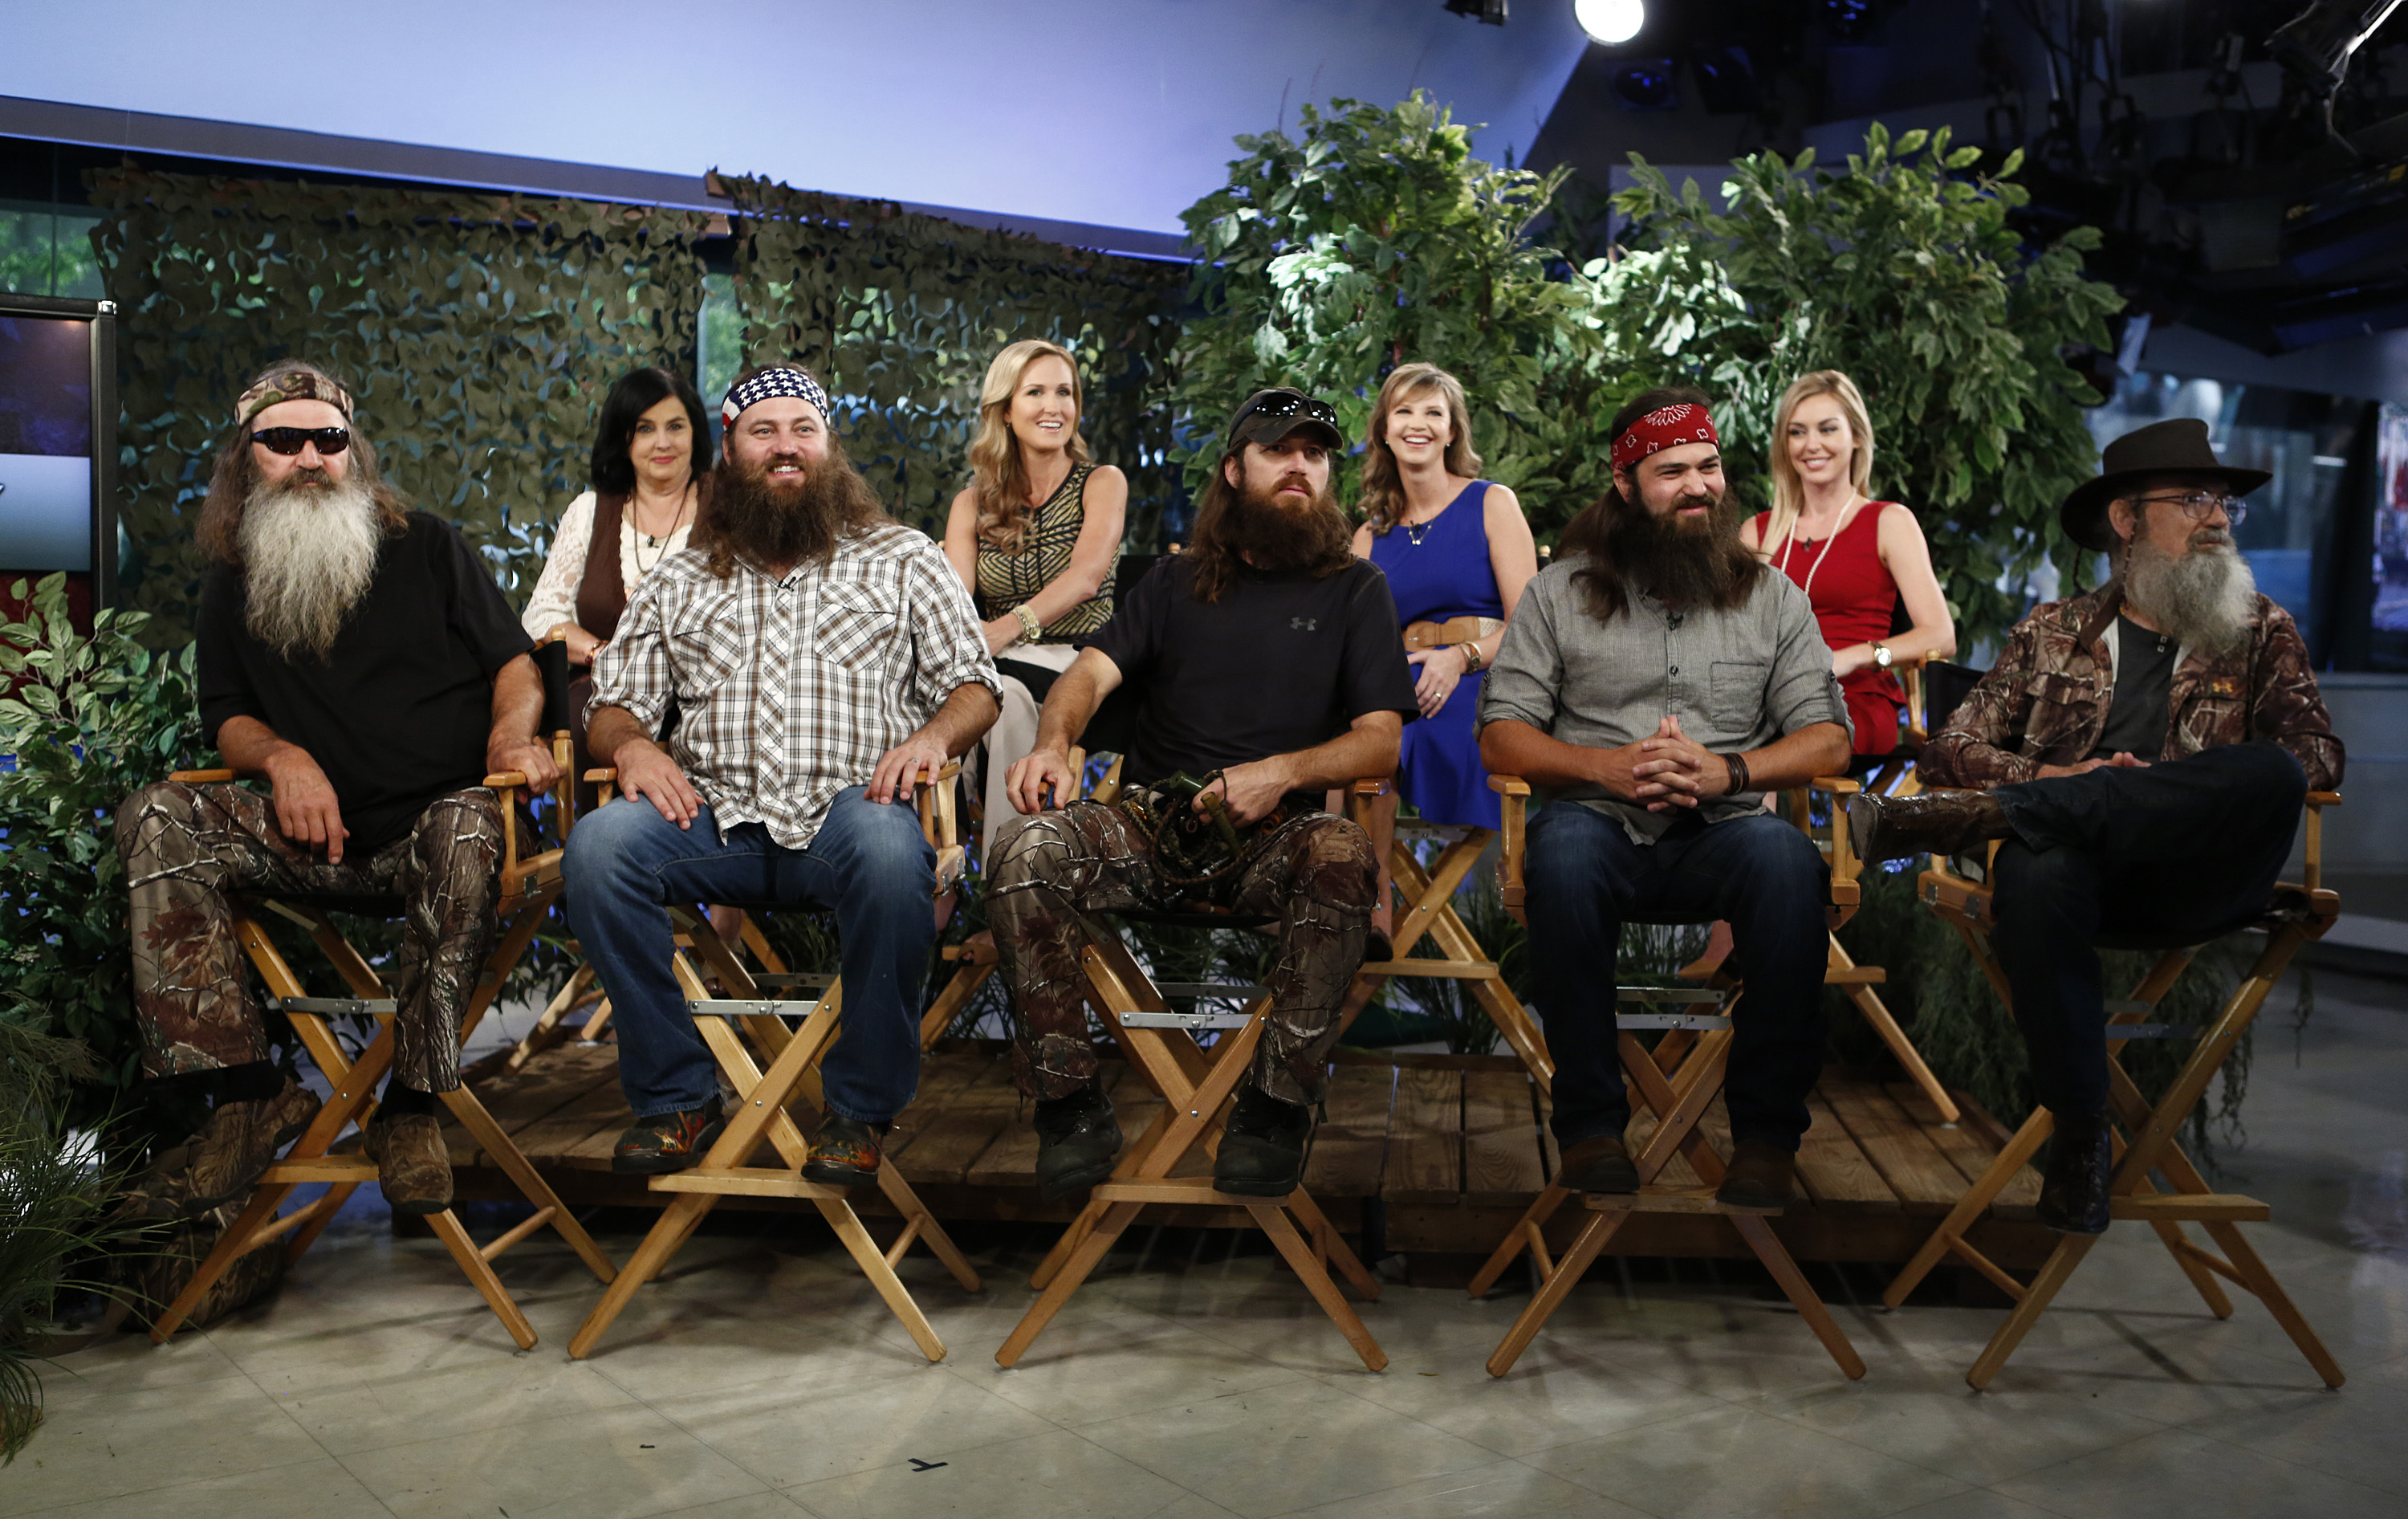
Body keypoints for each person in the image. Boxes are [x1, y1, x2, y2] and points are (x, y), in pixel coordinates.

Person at [1850, 417, 2344, 1234]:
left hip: (2202, 879)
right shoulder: (2050, 632)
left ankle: (2003, 816)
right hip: (2081, 879)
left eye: (2221, 502)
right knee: (2038, 871)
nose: (2217, 517)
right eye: (2193, 500)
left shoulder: (2261, 630)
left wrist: (2165, 790)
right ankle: (2082, 1137)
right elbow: (1952, 746)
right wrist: (2051, 777)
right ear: (2126, 520)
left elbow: (2319, 755)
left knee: (2277, 768)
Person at [115, 360, 560, 1219]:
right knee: (156, 814)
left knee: (467, 825)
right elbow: (227, 717)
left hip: (432, 831)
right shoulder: (230, 576)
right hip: (302, 837)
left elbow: (515, 661)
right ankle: (248, 1095)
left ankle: (410, 1106)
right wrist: (283, 757)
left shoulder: (428, 545)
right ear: (246, 460)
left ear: (355, 451)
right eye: (284, 441)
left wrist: (511, 734)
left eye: (330, 438)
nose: (311, 456)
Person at [561, 364, 1000, 1183]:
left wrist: (933, 739)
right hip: (709, 819)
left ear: (829, 447)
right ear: (728, 454)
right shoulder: (681, 576)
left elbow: (975, 683)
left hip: (849, 810)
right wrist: (632, 747)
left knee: (887, 847)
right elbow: (614, 704)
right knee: (598, 847)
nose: (785, 446)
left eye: (803, 428)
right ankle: (677, 1096)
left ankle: (861, 1110)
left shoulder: (902, 557)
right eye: (763, 431)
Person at [988, 387, 1418, 1202]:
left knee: (1343, 854)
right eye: (1279, 450)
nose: (1300, 466)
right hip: (1152, 826)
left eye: (1316, 454)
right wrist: (1053, 741)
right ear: (1234, 467)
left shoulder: (1356, 590)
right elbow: (1088, 671)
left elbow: (1380, 739)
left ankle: (1275, 1106)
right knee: (1022, 848)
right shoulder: (1177, 580)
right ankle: (1069, 1100)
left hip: (1273, 840)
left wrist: (1281, 772)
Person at [1478, 386, 1852, 1212]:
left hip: (1724, 829)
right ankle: (1591, 1129)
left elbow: (1829, 736)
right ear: (1626, 484)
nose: (1697, 485)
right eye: (1671, 469)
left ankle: (1764, 1139)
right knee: (1564, 854)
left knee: (1789, 861)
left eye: (1708, 466)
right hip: (1597, 821)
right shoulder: (1559, 593)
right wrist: (1603, 768)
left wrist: (1732, 772)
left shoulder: (1773, 599)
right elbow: (1502, 734)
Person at [1349, 362, 1539, 932]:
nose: (1418, 424)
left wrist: (1460, 658)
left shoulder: (1491, 502)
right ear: (1384, 429)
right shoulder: (1368, 536)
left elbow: (1530, 625)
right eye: (1404, 411)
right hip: (1396, 681)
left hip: (1482, 677)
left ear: (1452, 431)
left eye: (1434, 412)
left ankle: (1383, 911)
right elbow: (1354, 641)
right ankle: (1361, 902)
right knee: (1350, 738)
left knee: (1384, 737)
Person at [942, 340, 1127, 857]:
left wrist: (1002, 631)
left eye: (1064, 393)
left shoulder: (1102, 482)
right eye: (1036, 392)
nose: (1054, 407)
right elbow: (957, 602)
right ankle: (985, 866)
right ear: (1005, 410)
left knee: (994, 690)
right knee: (999, 696)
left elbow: (1085, 579)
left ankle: (1000, 869)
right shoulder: (971, 502)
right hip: (1003, 670)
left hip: (1084, 662)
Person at [1741, 370, 1955, 758]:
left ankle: (1755, 813)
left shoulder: (1889, 521)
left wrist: (1854, 656)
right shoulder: (1757, 534)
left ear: (1856, 437)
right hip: (1770, 697)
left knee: (1760, 738)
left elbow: (1941, 637)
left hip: (1854, 699)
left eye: (1827, 429)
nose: (1812, 445)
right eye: (1797, 432)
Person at [519, 365, 712, 664]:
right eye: (645, 429)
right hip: (598, 693)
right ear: (623, 439)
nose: (663, 442)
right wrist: (602, 655)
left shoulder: (728, 507)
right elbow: (540, 618)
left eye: (675, 427)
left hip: (704, 699)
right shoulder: (589, 511)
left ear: (695, 433)